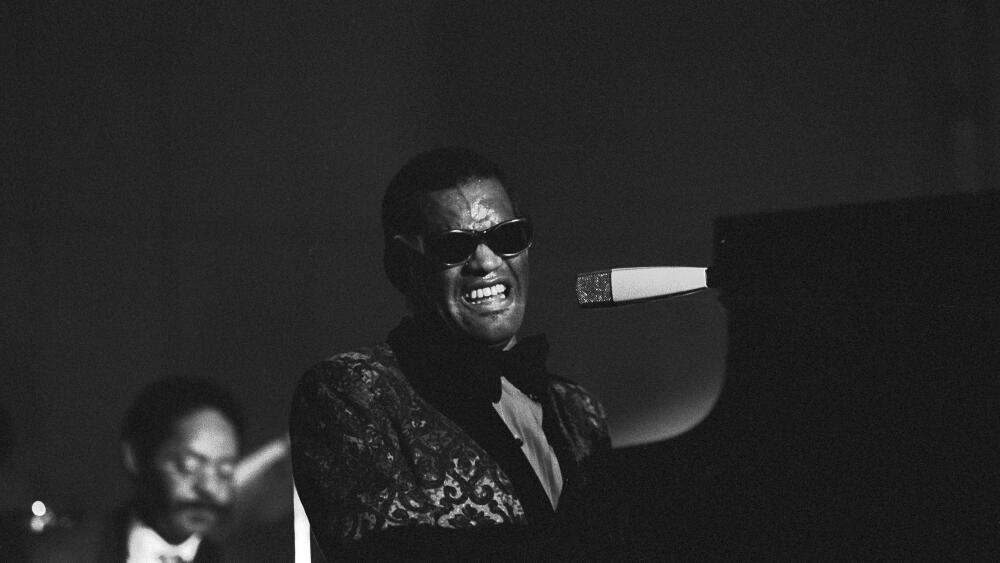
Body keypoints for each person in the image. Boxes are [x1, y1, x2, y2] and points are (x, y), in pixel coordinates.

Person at [289, 147, 617, 560]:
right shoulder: (351, 394)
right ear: (402, 266)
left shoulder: (580, 410)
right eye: (454, 246)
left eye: (507, 238)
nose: (486, 261)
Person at [34, 375, 244, 562]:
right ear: (135, 457)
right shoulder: (62, 552)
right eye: (188, 466)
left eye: (224, 471)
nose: (208, 488)